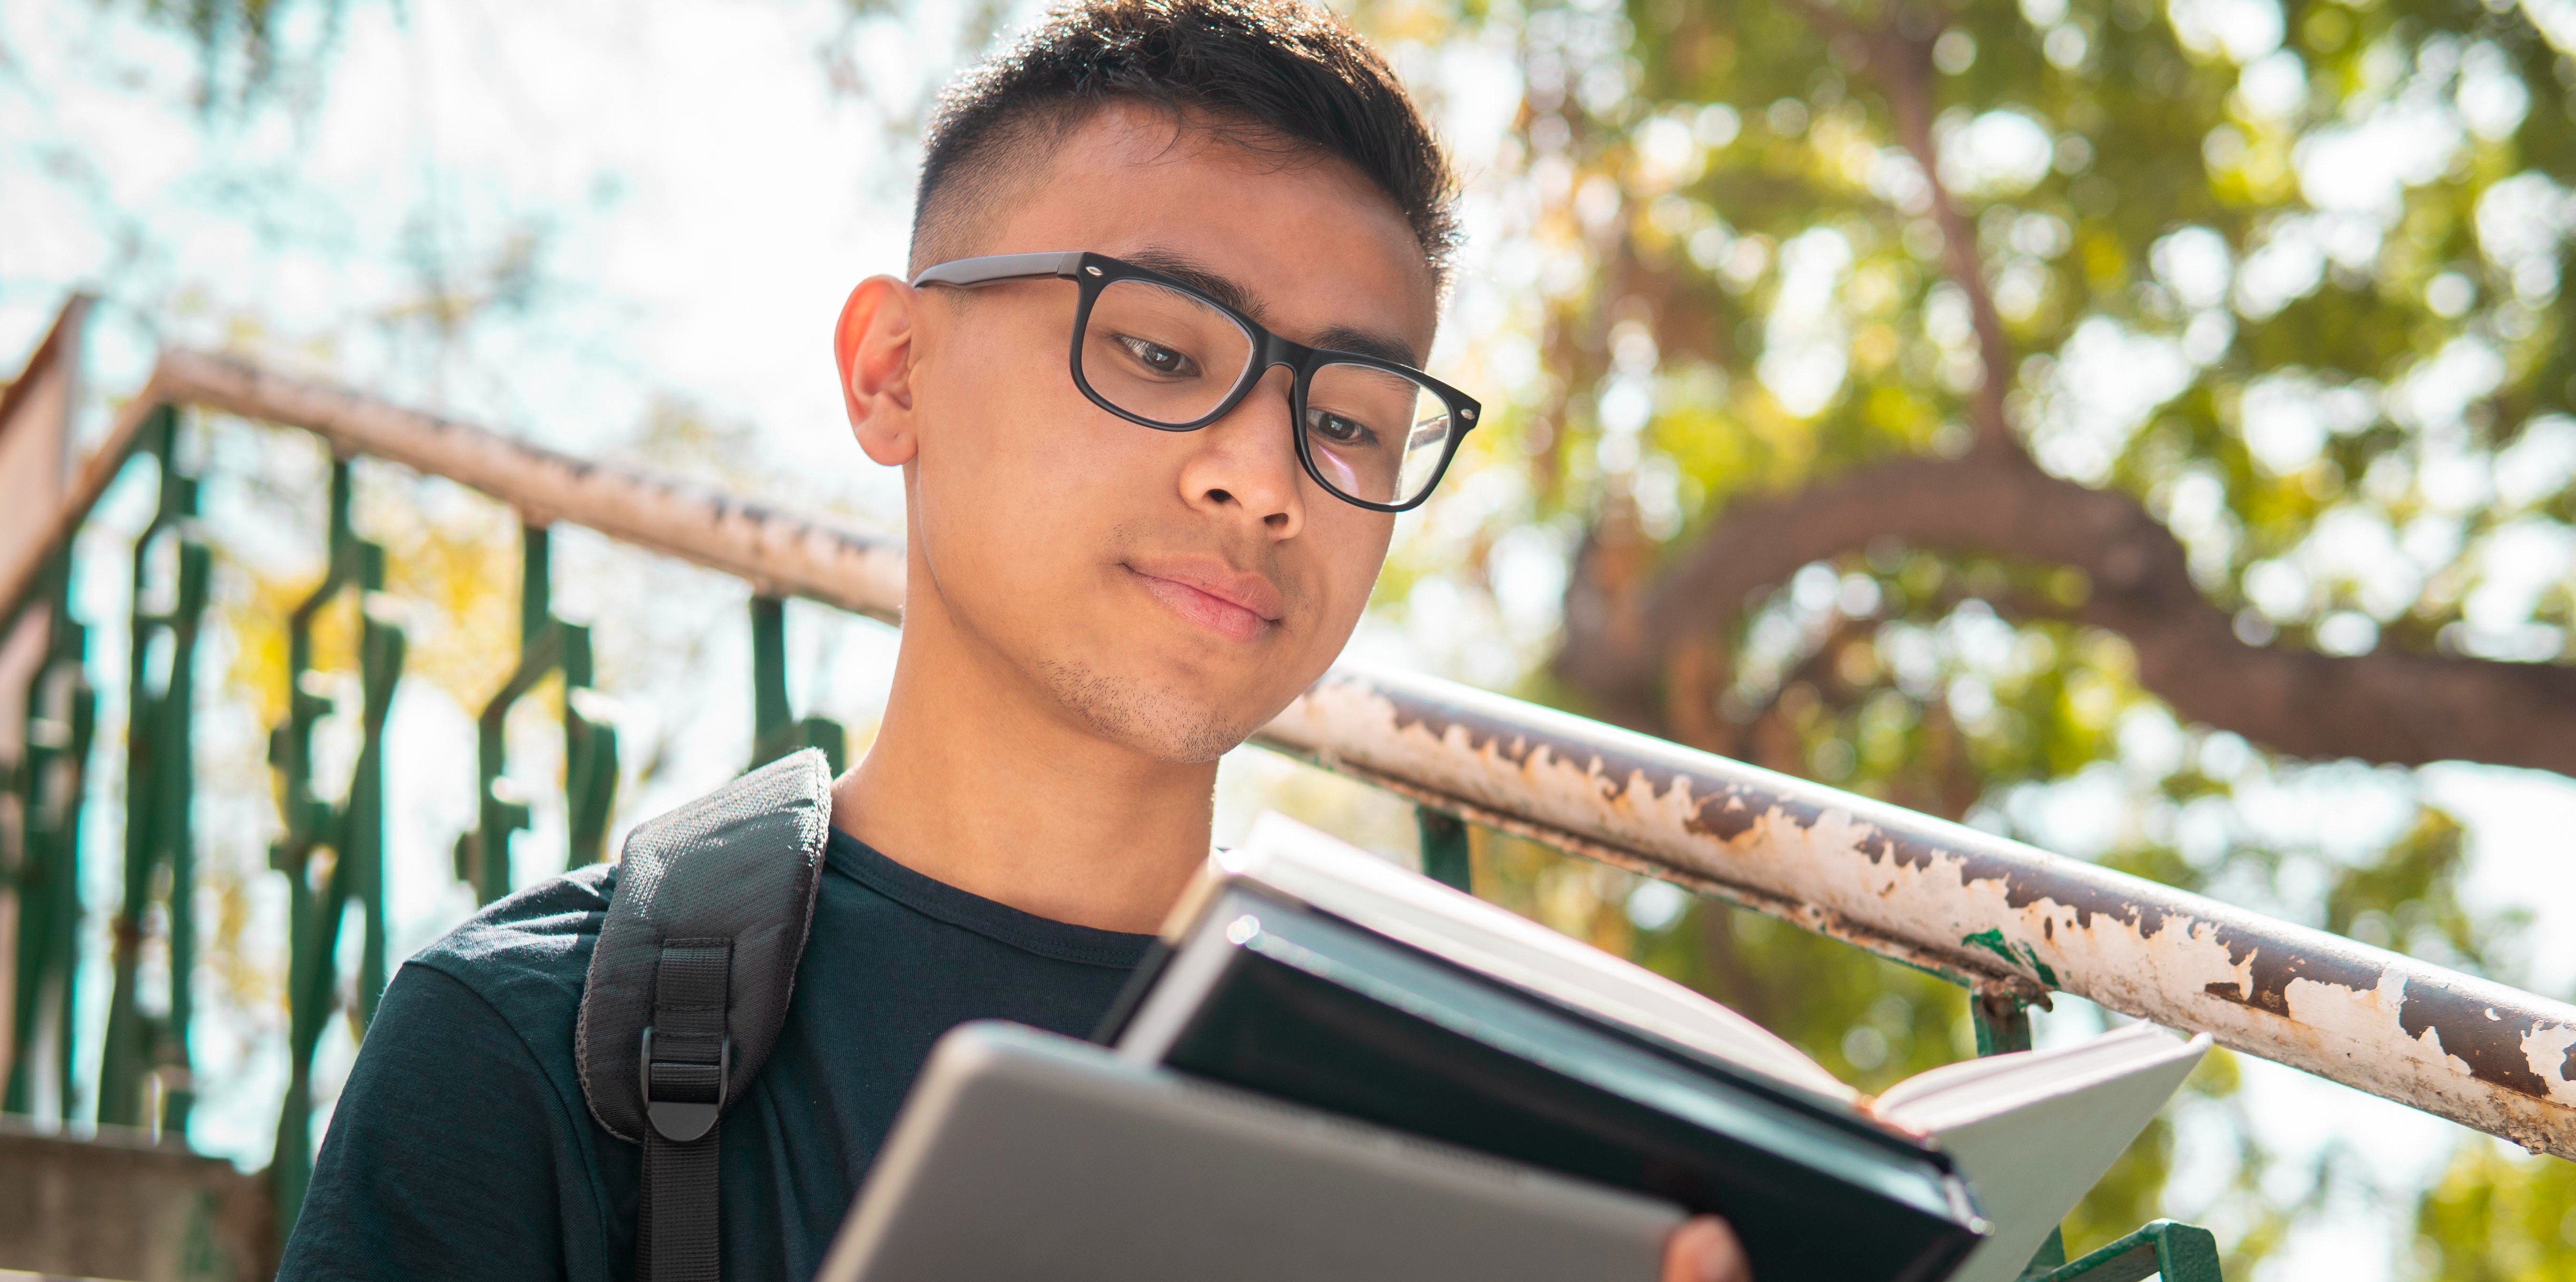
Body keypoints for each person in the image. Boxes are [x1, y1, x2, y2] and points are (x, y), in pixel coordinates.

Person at [276, 1, 1752, 1278]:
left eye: (1349, 418)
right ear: (892, 371)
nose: (1266, 473)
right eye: (1163, 349)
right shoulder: (528, 1044)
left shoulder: (1477, 1124)